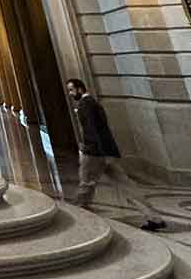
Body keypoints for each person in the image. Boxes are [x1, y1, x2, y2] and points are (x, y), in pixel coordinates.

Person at [66, 78, 166, 232]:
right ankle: (153, 217)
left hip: (94, 154)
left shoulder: (86, 105)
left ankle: (76, 217)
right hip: (108, 153)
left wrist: (92, 151)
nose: (70, 94)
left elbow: (91, 131)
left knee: (86, 185)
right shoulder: (94, 103)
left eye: (71, 90)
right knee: (127, 186)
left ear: (80, 89)